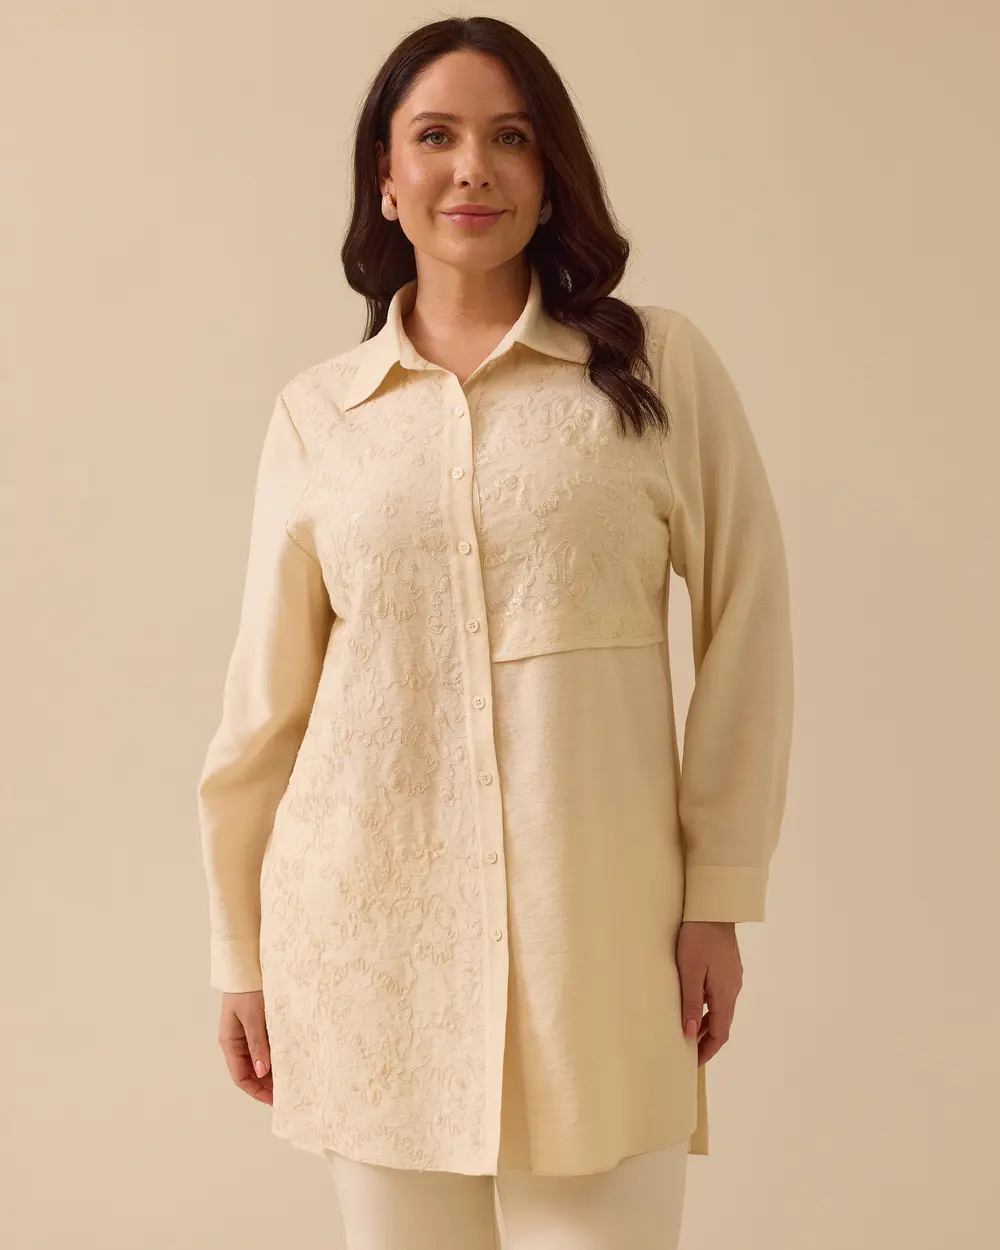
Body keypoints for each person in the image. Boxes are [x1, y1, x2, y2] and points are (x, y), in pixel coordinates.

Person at [197, 15, 794, 1250]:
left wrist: (717, 890)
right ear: (385, 174)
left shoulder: (655, 371)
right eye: (436, 136)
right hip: (371, 948)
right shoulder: (319, 416)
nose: (472, 168)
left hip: (601, 946)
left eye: (510, 137)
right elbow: (264, 711)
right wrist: (237, 949)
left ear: (550, 169)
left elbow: (747, 618)